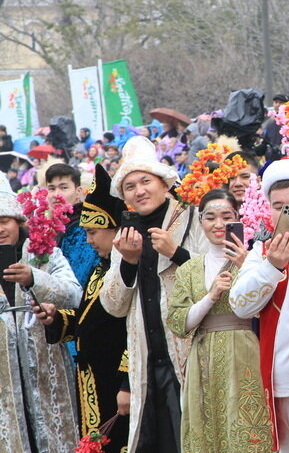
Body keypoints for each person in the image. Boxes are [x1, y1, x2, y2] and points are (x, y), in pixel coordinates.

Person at [100, 135, 209, 453]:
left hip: (188, 355)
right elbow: (113, 305)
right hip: (146, 362)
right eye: (130, 187)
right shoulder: (126, 236)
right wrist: (129, 263)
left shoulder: (194, 217)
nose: (139, 191)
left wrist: (176, 252)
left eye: (145, 181)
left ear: (164, 183)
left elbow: (215, 282)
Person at [230, 157, 289, 453]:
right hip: (283, 378)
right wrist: (273, 265)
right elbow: (240, 305)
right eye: (278, 205)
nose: (288, 212)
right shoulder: (262, 250)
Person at [166, 188, 271, 451]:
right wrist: (211, 296)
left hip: (246, 349)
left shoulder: (255, 259)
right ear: (200, 221)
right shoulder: (190, 267)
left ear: (238, 218)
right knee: (207, 427)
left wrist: (250, 266)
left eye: (227, 216)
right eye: (210, 217)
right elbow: (179, 322)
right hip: (203, 354)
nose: (219, 224)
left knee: (245, 423)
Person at [36, 164, 130, 452]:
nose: (88, 240)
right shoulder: (102, 269)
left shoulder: (130, 268)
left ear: (116, 230)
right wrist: (56, 319)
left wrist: (128, 382)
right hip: (94, 380)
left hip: (117, 383)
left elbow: (138, 329)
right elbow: (88, 319)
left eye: (93, 232)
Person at [0, 172, 82, 451]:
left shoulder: (43, 253)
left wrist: (35, 279)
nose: (0, 229)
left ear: (18, 221)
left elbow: (74, 294)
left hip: (47, 370)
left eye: (4, 221)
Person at [47, 163, 99, 289]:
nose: (56, 195)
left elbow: (77, 279)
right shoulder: (52, 225)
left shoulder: (83, 227)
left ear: (78, 191)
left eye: (64, 188)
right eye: (51, 189)